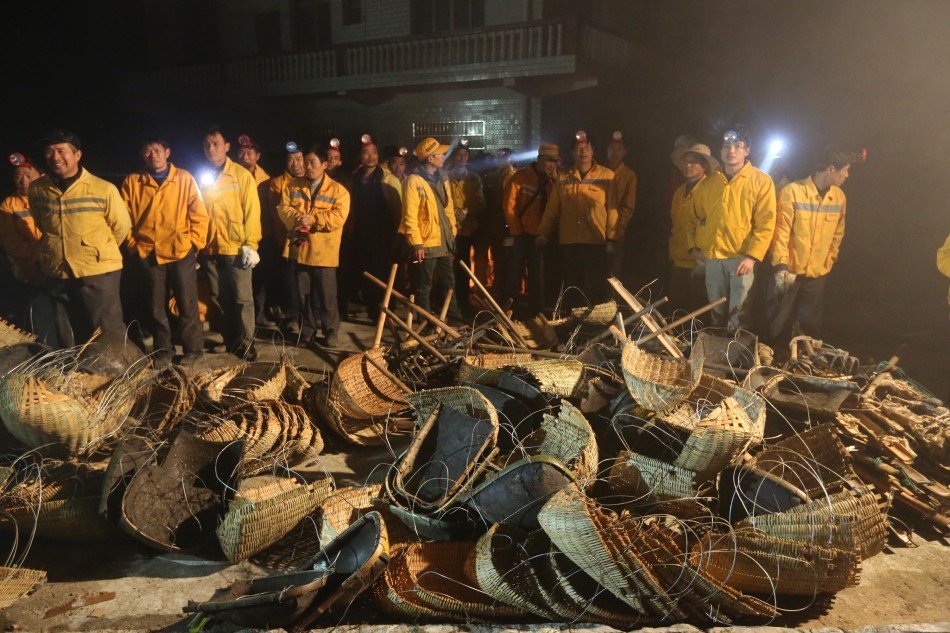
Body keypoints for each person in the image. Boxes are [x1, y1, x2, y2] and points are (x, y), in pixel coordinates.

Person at [29, 129, 132, 346]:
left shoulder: (103, 188)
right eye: (50, 151)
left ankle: (117, 376)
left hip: (98, 271)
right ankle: (75, 377)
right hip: (59, 269)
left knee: (107, 330)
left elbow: (121, 227)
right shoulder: (38, 189)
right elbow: (41, 224)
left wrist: (96, 249)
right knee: (68, 330)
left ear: (77, 155)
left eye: (61, 151)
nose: (55, 157)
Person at [120, 136, 209, 366]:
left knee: (187, 303)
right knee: (154, 305)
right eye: (148, 151)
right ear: (142, 155)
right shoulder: (133, 181)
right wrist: (133, 246)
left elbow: (199, 214)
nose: (153, 155)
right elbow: (122, 219)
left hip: (180, 251)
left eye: (157, 150)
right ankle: (164, 351)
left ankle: (193, 350)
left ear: (167, 152)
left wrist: (194, 244)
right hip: (148, 252)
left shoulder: (184, 178)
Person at [688, 126, 776, 331]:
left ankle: (734, 357)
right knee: (715, 312)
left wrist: (751, 257)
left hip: (741, 259)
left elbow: (766, 223)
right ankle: (715, 352)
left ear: (747, 150)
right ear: (720, 151)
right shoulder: (710, 183)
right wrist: (694, 248)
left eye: (738, 146)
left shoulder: (761, 181)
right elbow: (695, 217)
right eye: (726, 146)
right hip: (714, 258)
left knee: (740, 314)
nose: (731, 151)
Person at [766, 147, 854, 340]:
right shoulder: (793, 191)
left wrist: (829, 260)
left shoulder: (838, 197)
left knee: (809, 324)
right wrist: (781, 265)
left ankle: (804, 362)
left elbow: (838, 233)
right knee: (777, 320)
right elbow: (780, 231)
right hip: (789, 270)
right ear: (831, 169)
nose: (846, 175)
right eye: (844, 170)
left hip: (817, 272)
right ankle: (769, 357)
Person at [198, 126, 262, 360]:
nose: (211, 148)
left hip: (236, 248)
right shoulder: (202, 176)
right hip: (210, 248)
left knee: (242, 299)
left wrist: (251, 244)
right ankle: (229, 340)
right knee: (218, 297)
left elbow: (252, 211)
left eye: (216, 143)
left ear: (226, 147)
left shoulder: (241, 176)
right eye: (207, 144)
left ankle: (246, 344)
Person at [277, 145, 350, 348]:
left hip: (324, 252)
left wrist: (314, 219)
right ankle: (307, 330)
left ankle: (330, 331)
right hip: (300, 250)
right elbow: (283, 208)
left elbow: (338, 217)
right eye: (305, 162)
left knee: (327, 295)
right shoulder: (292, 186)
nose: (307, 166)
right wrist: (298, 219)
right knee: (304, 295)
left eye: (312, 162)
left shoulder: (338, 190)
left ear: (324, 165)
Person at [536, 130, 618, 307]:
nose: (583, 151)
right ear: (573, 152)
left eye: (587, 147)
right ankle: (574, 326)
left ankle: (596, 325)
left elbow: (612, 210)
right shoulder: (564, 178)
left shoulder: (607, 176)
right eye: (579, 148)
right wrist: (543, 233)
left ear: (593, 150)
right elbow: (552, 209)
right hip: (570, 242)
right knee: (573, 287)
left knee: (595, 287)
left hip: (595, 242)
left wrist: (611, 238)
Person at [400, 137, 461, 321]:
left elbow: (448, 209)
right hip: (426, 243)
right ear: (429, 158)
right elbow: (410, 216)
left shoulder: (443, 178)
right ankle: (424, 323)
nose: (443, 156)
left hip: (443, 241)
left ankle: (453, 320)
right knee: (424, 286)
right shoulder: (413, 181)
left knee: (449, 283)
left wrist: (452, 235)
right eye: (439, 154)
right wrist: (416, 243)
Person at [0, 153, 56, 342]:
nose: (22, 180)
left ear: (41, 176)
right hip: (31, 274)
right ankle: (49, 363)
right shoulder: (9, 204)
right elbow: (11, 243)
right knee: (41, 320)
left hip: (60, 271)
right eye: (17, 176)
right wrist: (38, 256)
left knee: (67, 316)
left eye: (28, 175)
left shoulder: (53, 198)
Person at [349, 134, 402, 322]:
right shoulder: (355, 178)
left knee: (384, 275)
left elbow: (398, 212)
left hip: (383, 238)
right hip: (362, 235)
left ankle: (388, 311)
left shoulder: (388, 179)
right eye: (366, 152)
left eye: (374, 152)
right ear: (360, 156)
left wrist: (395, 237)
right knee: (366, 274)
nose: (371, 156)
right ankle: (372, 311)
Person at [502, 144, 559, 315]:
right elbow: (509, 206)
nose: (551, 164)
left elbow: (559, 204)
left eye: (554, 161)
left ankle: (536, 312)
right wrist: (516, 231)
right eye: (548, 160)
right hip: (522, 235)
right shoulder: (520, 178)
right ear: (540, 159)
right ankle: (509, 310)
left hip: (541, 236)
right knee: (514, 274)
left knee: (537, 276)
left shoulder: (554, 182)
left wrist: (555, 180)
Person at [668, 142, 718, 314]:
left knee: (697, 307)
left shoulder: (710, 190)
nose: (688, 165)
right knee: (677, 305)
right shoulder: (679, 191)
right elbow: (675, 222)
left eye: (694, 161)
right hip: (679, 258)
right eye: (686, 161)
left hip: (699, 260)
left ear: (704, 165)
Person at [263, 141, 306, 336]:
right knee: (289, 282)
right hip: (286, 241)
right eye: (291, 159)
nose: (295, 163)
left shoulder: (310, 179)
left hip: (309, 242)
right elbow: (276, 214)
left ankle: (310, 318)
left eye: (299, 158)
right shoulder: (277, 183)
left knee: (306, 282)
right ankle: (293, 318)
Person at [448, 140, 486, 313]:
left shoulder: (474, 179)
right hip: (448, 229)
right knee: (446, 268)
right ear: (453, 157)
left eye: (465, 155)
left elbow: (480, 203)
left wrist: (466, 210)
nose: (462, 158)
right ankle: (448, 302)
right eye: (459, 154)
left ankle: (463, 301)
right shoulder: (445, 177)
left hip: (465, 230)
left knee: (463, 267)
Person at [605, 131, 638, 275]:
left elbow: (628, 208)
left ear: (625, 152)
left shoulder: (629, 176)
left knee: (613, 274)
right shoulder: (599, 172)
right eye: (612, 148)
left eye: (619, 149)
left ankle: (613, 298)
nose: (615, 153)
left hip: (617, 232)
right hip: (595, 231)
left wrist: (616, 233)